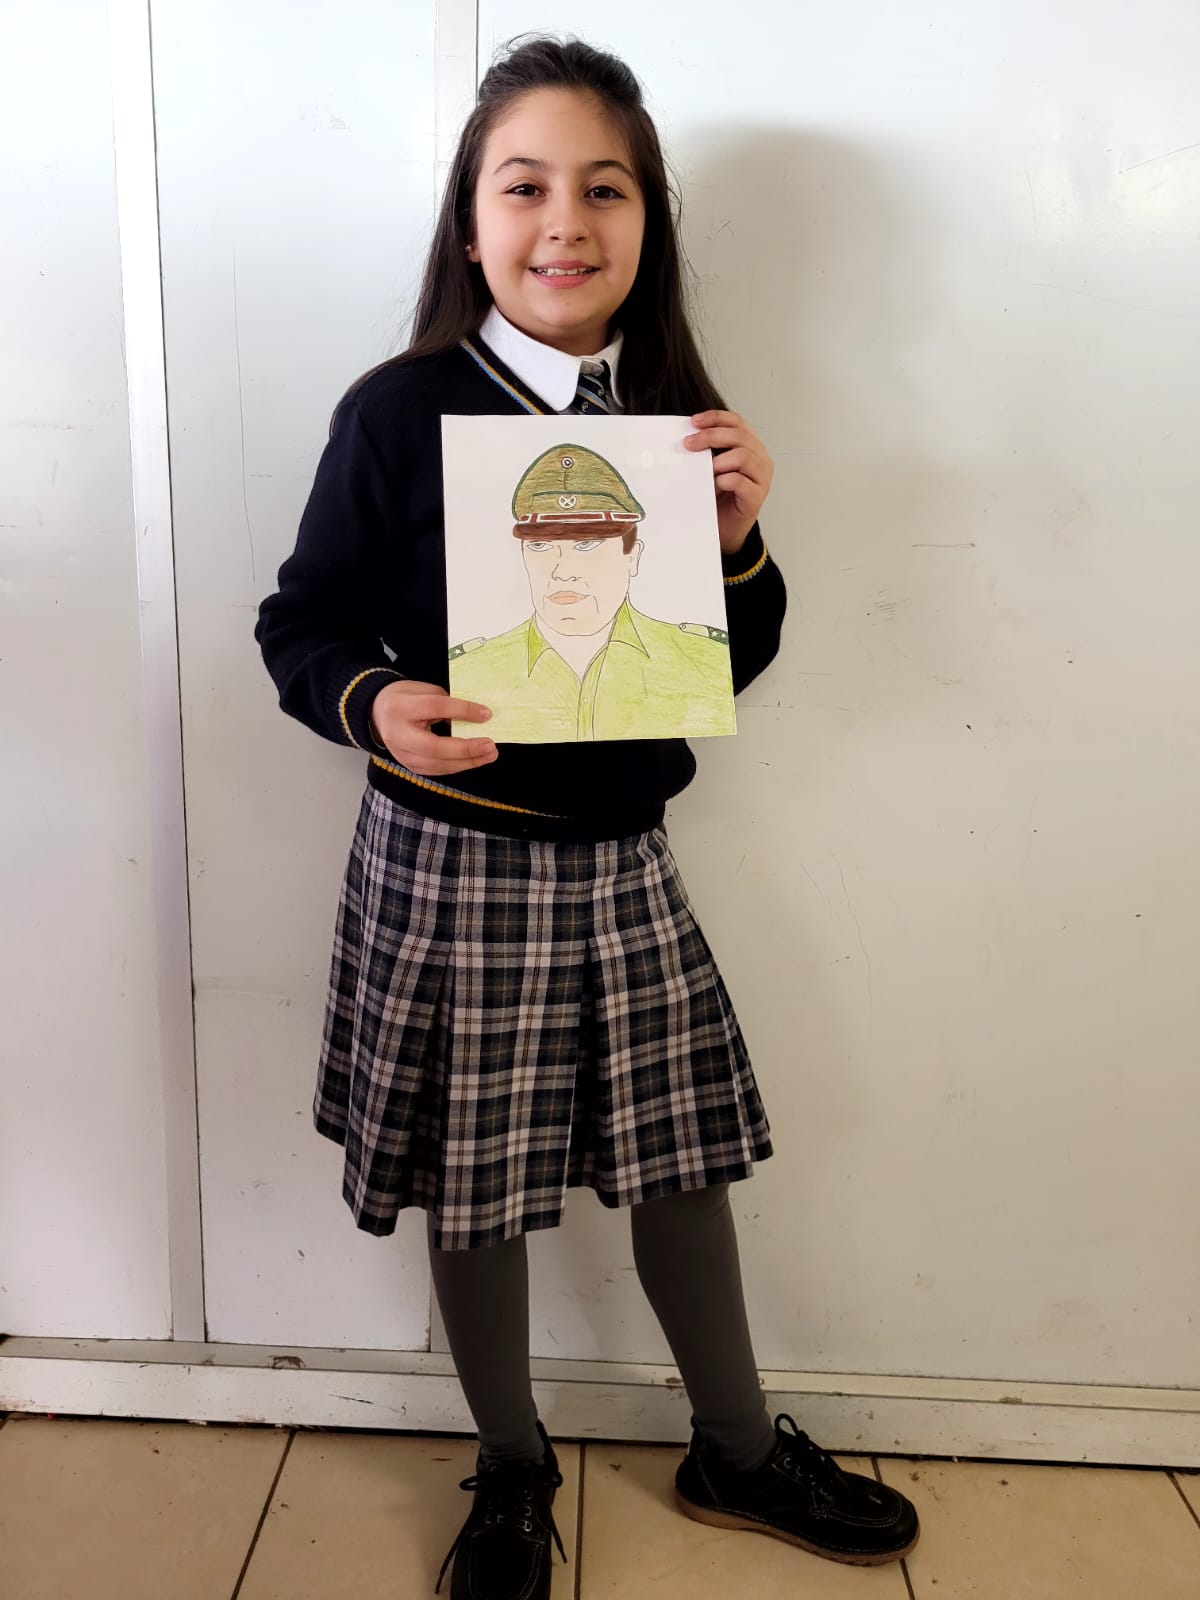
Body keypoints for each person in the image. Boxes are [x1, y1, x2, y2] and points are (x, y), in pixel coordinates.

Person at [256, 34, 919, 1600]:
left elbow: (720, 664)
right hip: (449, 859)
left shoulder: (675, 421)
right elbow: (302, 623)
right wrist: (371, 700)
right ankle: (510, 1465)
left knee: (683, 1155)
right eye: (525, 186)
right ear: (470, 220)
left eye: (605, 188)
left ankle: (735, 1448)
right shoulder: (398, 411)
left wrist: (739, 540)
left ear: (647, 222)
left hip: (623, 858)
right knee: (475, 1177)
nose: (566, 220)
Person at [450, 441, 735, 741]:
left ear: (632, 556)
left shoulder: (699, 657)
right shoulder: (470, 671)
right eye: (540, 545)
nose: (562, 571)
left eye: (586, 545)